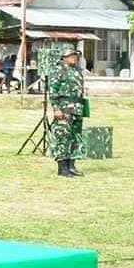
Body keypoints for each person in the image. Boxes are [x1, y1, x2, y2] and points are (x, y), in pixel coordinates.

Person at [49, 47, 85, 178]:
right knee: (63, 136)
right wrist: (56, 108)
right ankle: (62, 168)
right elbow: (53, 91)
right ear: (64, 57)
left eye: (75, 56)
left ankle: (71, 165)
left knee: (75, 138)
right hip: (64, 108)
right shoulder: (59, 70)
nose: (74, 58)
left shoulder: (76, 70)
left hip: (77, 108)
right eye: (71, 56)